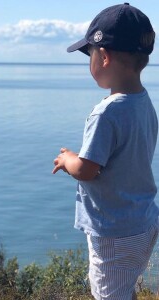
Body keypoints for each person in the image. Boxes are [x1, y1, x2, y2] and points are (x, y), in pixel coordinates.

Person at [52, 3, 159, 299]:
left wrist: (67, 159)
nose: (89, 63)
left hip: (115, 232)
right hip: (144, 220)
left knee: (109, 295)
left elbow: (87, 170)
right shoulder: (144, 103)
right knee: (123, 287)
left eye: (89, 55)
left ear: (105, 56)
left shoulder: (107, 113)